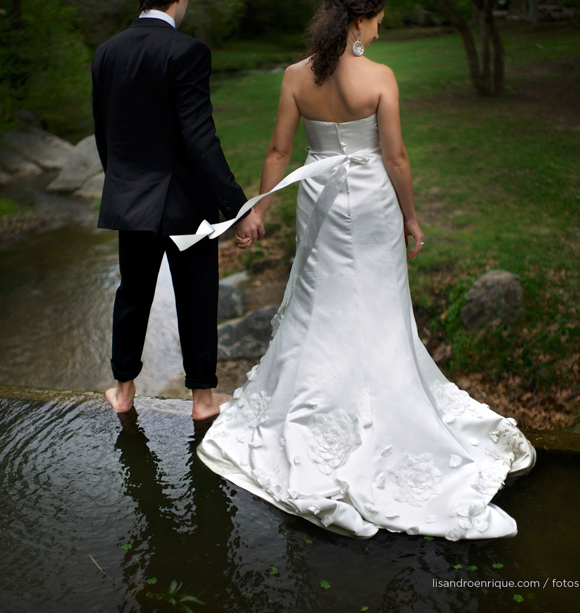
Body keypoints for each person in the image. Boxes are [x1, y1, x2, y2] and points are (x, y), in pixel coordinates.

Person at [197, 0, 536, 539]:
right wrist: (411, 216)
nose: (382, 28)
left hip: (320, 200)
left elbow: (279, 149)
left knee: (321, 300)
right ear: (360, 20)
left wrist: (258, 209)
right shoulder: (379, 77)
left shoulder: (294, 76)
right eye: (379, 18)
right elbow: (396, 157)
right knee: (376, 303)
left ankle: (313, 407)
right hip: (374, 204)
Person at [92, 0, 263, 420]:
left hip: (129, 196)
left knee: (132, 293)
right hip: (184, 202)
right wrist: (237, 207)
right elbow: (200, 136)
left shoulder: (107, 51)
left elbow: (103, 131)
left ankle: (124, 391)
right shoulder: (187, 50)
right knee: (197, 294)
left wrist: (120, 183)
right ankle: (203, 401)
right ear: (179, 0)